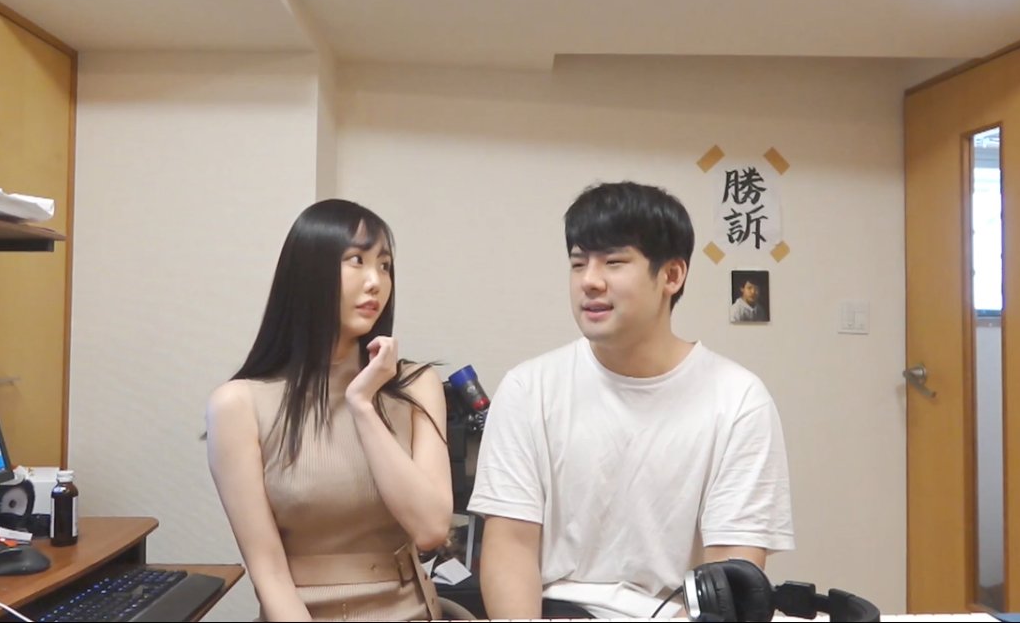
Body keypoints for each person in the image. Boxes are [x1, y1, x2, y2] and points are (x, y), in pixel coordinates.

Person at [468, 181, 794, 620]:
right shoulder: (529, 389)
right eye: (578, 263)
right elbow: (510, 548)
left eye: (614, 262)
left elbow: (730, 575)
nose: (589, 281)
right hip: (558, 610)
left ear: (672, 275)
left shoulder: (738, 400)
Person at [205, 199, 451, 621]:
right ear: (308, 272)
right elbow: (268, 574)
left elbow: (431, 528)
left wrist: (362, 405)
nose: (376, 281)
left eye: (385, 265)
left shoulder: (415, 385)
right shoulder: (239, 405)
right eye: (357, 260)